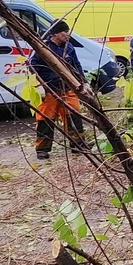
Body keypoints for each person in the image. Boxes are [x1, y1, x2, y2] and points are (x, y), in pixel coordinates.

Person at [28, 20, 87, 160]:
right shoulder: (43, 48)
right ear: (55, 34)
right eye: (64, 32)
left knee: (74, 116)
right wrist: (42, 85)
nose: (68, 34)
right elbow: (32, 67)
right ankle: (42, 149)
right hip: (50, 90)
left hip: (68, 89)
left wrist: (84, 82)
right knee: (45, 119)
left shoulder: (69, 47)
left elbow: (76, 66)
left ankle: (78, 145)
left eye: (68, 31)